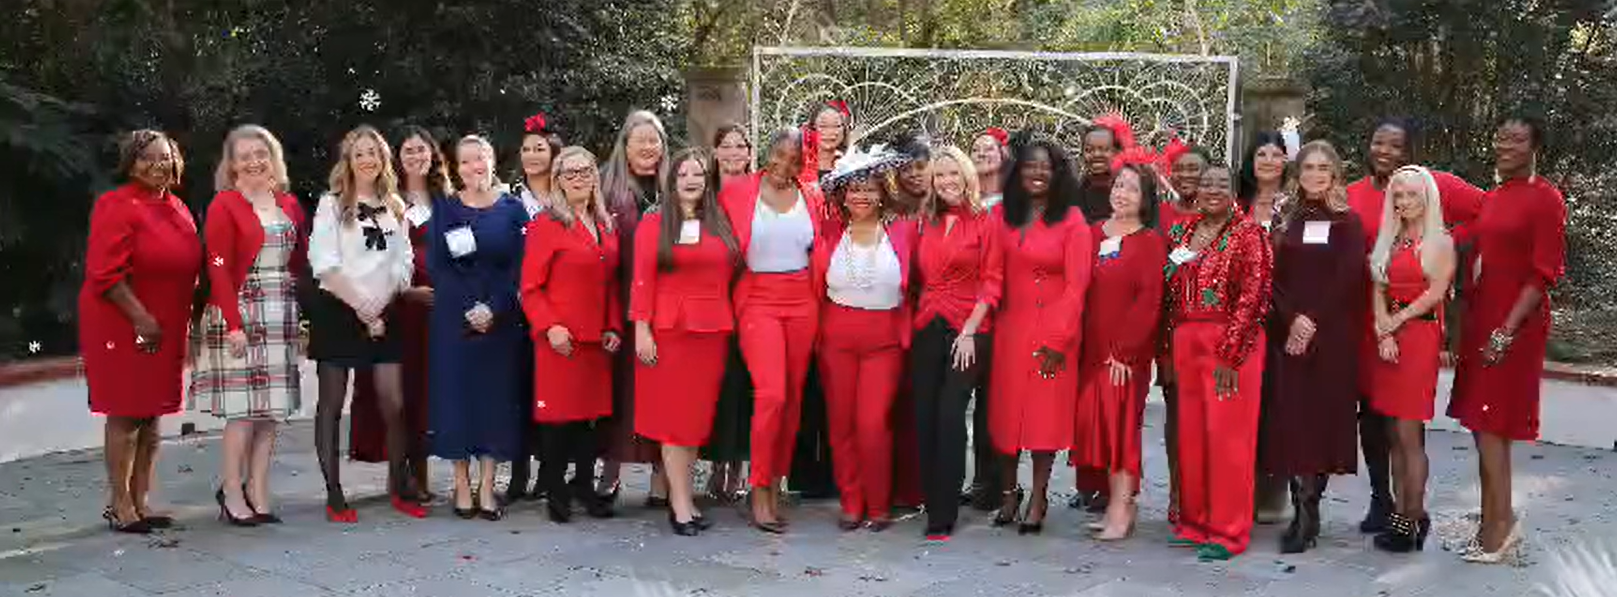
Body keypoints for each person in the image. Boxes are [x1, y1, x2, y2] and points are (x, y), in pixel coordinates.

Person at [1343, 118, 1483, 534]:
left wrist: (1443, 244)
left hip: (1410, 323)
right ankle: (1382, 500)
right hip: (1367, 320)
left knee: (1405, 425)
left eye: (1396, 146)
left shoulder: (1433, 186)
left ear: (1410, 153)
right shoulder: (1353, 194)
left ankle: (1411, 514)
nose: (1385, 151)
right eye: (1378, 142)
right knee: (1373, 417)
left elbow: (1486, 211)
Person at [1448, 115, 1566, 564]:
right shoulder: (1495, 196)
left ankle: (1499, 532)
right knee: (1483, 428)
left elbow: (1543, 273)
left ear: (1535, 147)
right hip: (1483, 319)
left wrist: (1506, 330)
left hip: (1515, 325)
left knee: (1493, 426)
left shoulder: (1546, 198)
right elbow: (1473, 249)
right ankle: (1493, 521)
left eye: (1517, 139)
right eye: (1501, 137)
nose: (1506, 145)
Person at [80, 130, 201, 534]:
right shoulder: (116, 205)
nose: (157, 165)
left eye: (164, 157)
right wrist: (140, 318)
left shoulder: (177, 206)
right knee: (127, 411)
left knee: (151, 414)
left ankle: (141, 500)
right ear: (130, 164)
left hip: (167, 321)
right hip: (124, 319)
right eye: (146, 158)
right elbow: (105, 274)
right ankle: (120, 506)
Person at [192, 125, 307, 526]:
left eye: (261, 153)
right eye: (245, 156)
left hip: (280, 311)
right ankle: (231, 491)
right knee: (242, 413)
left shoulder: (288, 202)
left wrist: (300, 315)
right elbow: (218, 266)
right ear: (232, 164)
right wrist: (233, 324)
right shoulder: (224, 204)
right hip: (240, 309)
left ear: (273, 157)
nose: (254, 161)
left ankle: (258, 489)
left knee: (270, 412)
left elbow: (299, 260)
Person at [305, 125, 418, 523]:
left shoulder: (395, 206)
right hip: (339, 310)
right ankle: (335, 494)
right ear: (348, 161)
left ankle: (398, 485)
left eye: (374, 153)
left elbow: (404, 264)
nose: (368, 159)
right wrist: (361, 307)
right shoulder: (331, 204)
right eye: (360, 154)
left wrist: (378, 306)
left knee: (394, 403)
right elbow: (324, 264)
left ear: (383, 159)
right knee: (332, 405)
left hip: (384, 311)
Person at [719, 128, 829, 533]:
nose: (785, 165)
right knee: (772, 395)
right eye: (779, 155)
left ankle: (776, 482)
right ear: (767, 153)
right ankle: (759, 487)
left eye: (795, 159)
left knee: (793, 399)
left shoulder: (812, 196)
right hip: (757, 299)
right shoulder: (737, 193)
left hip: (802, 301)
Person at [1260, 141, 1367, 554]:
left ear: (1335, 173)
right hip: (1287, 333)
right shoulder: (1285, 218)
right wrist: (1292, 319)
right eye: (1309, 167)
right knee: (1292, 420)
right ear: (1298, 173)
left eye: (1324, 167)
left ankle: (1310, 510)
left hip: (1331, 335)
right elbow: (1272, 276)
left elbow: (1349, 277)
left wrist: (1312, 320)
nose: (1316, 175)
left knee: (1321, 421)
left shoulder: (1348, 221)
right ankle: (1300, 508)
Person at [1163, 164, 1272, 561]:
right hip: (1186, 341)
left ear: (1234, 191)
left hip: (1229, 344)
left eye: (1221, 184)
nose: (1212, 189)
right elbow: (1170, 292)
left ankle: (1228, 531)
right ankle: (1197, 522)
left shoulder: (1249, 234)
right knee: (1192, 435)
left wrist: (1231, 353)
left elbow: (1254, 296)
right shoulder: (1183, 232)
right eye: (1206, 183)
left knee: (1228, 440)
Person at [630, 148, 740, 535]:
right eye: (683, 175)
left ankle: (685, 497)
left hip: (711, 332)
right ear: (671, 181)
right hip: (670, 332)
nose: (691, 180)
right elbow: (641, 279)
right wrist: (641, 328)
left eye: (698, 174)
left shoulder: (719, 221)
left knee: (695, 421)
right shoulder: (654, 223)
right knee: (674, 421)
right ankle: (679, 503)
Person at [811, 145, 919, 532]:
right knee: (841, 425)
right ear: (842, 195)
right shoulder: (828, 232)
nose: (861, 196)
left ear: (882, 193)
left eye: (869, 188)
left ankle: (878, 503)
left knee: (872, 424)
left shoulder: (903, 230)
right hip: (836, 338)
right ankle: (851, 502)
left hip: (884, 339)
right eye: (854, 189)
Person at [988, 137, 1093, 535]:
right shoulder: (1003, 215)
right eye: (1030, 165)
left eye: (1045, 167)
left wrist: (1058, 339)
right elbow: (991, 274)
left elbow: (1077, 286)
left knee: (1042, 419)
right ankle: (1008, 492)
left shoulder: (1072, 220)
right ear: (1018, 172)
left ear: (1057, 174)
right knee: (1006, 416)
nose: (1037, 173)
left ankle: (1039, 496)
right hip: (1011, 330)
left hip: (1054, 330)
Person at [426, 136, 529, 521]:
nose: (475, 167)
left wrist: (494, 307)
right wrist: (469, 307)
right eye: (466, 161)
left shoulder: (513, 209)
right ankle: (461, 483)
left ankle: (487, 485)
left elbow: (521, 267)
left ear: (492, 160)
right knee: (457, 400)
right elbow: (439, 266)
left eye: (480, 158)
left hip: (500, 323)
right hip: (454, 321)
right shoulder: (446, 209)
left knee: (494, 401)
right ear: (457, 168)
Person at [348, 125, 452, 504]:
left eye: (421, 150)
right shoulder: (385, 201)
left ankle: (419, 475)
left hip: (437, 313)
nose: (415, 156)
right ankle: (398, 474)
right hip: (395, 308)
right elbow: (369, 258)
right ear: (397, 157)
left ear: (433, 155)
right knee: (397, 395)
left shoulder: (447, 201)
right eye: (408, 151)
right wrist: (406, 291)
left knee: (426, 391)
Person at [521, 146, 623, 523]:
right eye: (570, 173)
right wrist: (550, 326)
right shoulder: (546, 225)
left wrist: (613, 325)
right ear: (558, 181)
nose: (579, 179)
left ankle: (584, 485)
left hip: (596, 339)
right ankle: (555, 489)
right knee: (559, 420)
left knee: (590, 420)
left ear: (595, 176)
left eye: (585, 171)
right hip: (560, 339)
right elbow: (530, 287)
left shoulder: (605, 223)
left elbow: (611, 282)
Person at [1072, 164, 1167, 542]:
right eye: (1118, 185)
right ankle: (1115, 500)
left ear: (1145, 199)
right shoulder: (1093, 233)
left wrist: (1125, 352)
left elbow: (1149, 301)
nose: (1121, 193)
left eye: (1131, 188)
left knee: (1121, 428)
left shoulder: (1150, 242)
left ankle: (1121, 507)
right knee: (1099, 427)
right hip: (1091, 350)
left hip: (1124, 356)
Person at [911, 145, 1001, 540]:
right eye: (940, 175)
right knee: (925, 418)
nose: (947, 181)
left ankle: (943, 514)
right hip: (927, 323)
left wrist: (969, 331)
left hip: (969, 329)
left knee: (950, 417)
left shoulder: (986, 221)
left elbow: (992, 281)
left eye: (953, 174)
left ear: (967, 177)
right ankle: (931, 500)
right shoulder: (925, 221)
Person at [1366, 166, 1456, 552]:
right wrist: (1383, 330)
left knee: (1409, 434)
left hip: (1418, 338)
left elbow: (1435, 293)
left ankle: (1411, 518)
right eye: (1398, 195)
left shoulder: (1440, 242)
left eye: (1411, 194)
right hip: (1388, 338)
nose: (1403, 201)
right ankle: (1404, 513)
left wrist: (1396, 321)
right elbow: (1377, 287)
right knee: (1392, 433)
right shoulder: (1390, 238)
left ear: (1427, 196)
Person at [599, 110, 670, 508]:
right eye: (639, 140)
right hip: (620, 303)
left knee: (662, 392)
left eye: (654, 140)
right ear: (624, 146)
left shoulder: (674, 187)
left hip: (665, 306)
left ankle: (662, 479)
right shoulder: (606, 189)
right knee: (620, 395)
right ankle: (610, 475)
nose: (647, 147)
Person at [504, 113, 564, 504]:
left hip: (556, 308)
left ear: (554, 154)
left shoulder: (565, 200)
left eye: (539, 148)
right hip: (514, 307)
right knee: (518, 391)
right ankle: (518, 471)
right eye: (526, 149)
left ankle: (549, 470)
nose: (532, 156)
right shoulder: (509, 199)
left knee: (550, 392)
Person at [703, 123, 755, 504]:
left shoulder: (759, 192)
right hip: (710, 297)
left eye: (741, 146)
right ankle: (716, 463)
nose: (734, 152)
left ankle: (738, 464)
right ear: (716, 152)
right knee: (716, 385)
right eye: (727, 146)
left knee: (744, 384)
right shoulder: (705, 193)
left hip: (750, 298)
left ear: (750, 153)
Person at [1237, 131, 1290, 230]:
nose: (1268, 161)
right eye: (1261, 155)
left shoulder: (1294, 206)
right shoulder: (1236, 205)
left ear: (1284, 162)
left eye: (1276, 155)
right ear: (1252, 161)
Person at [1075, 124, 1121, 223]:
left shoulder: (1132, 188)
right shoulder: (1078, 191)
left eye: (1104, 149)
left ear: (1117, 152)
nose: (1096, 154)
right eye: (1089, 150)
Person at [970, 127, 1010, 208]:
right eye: (975, 150)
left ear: (1003, 155)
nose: (981, 154)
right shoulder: (962, 199)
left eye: (988, 149)